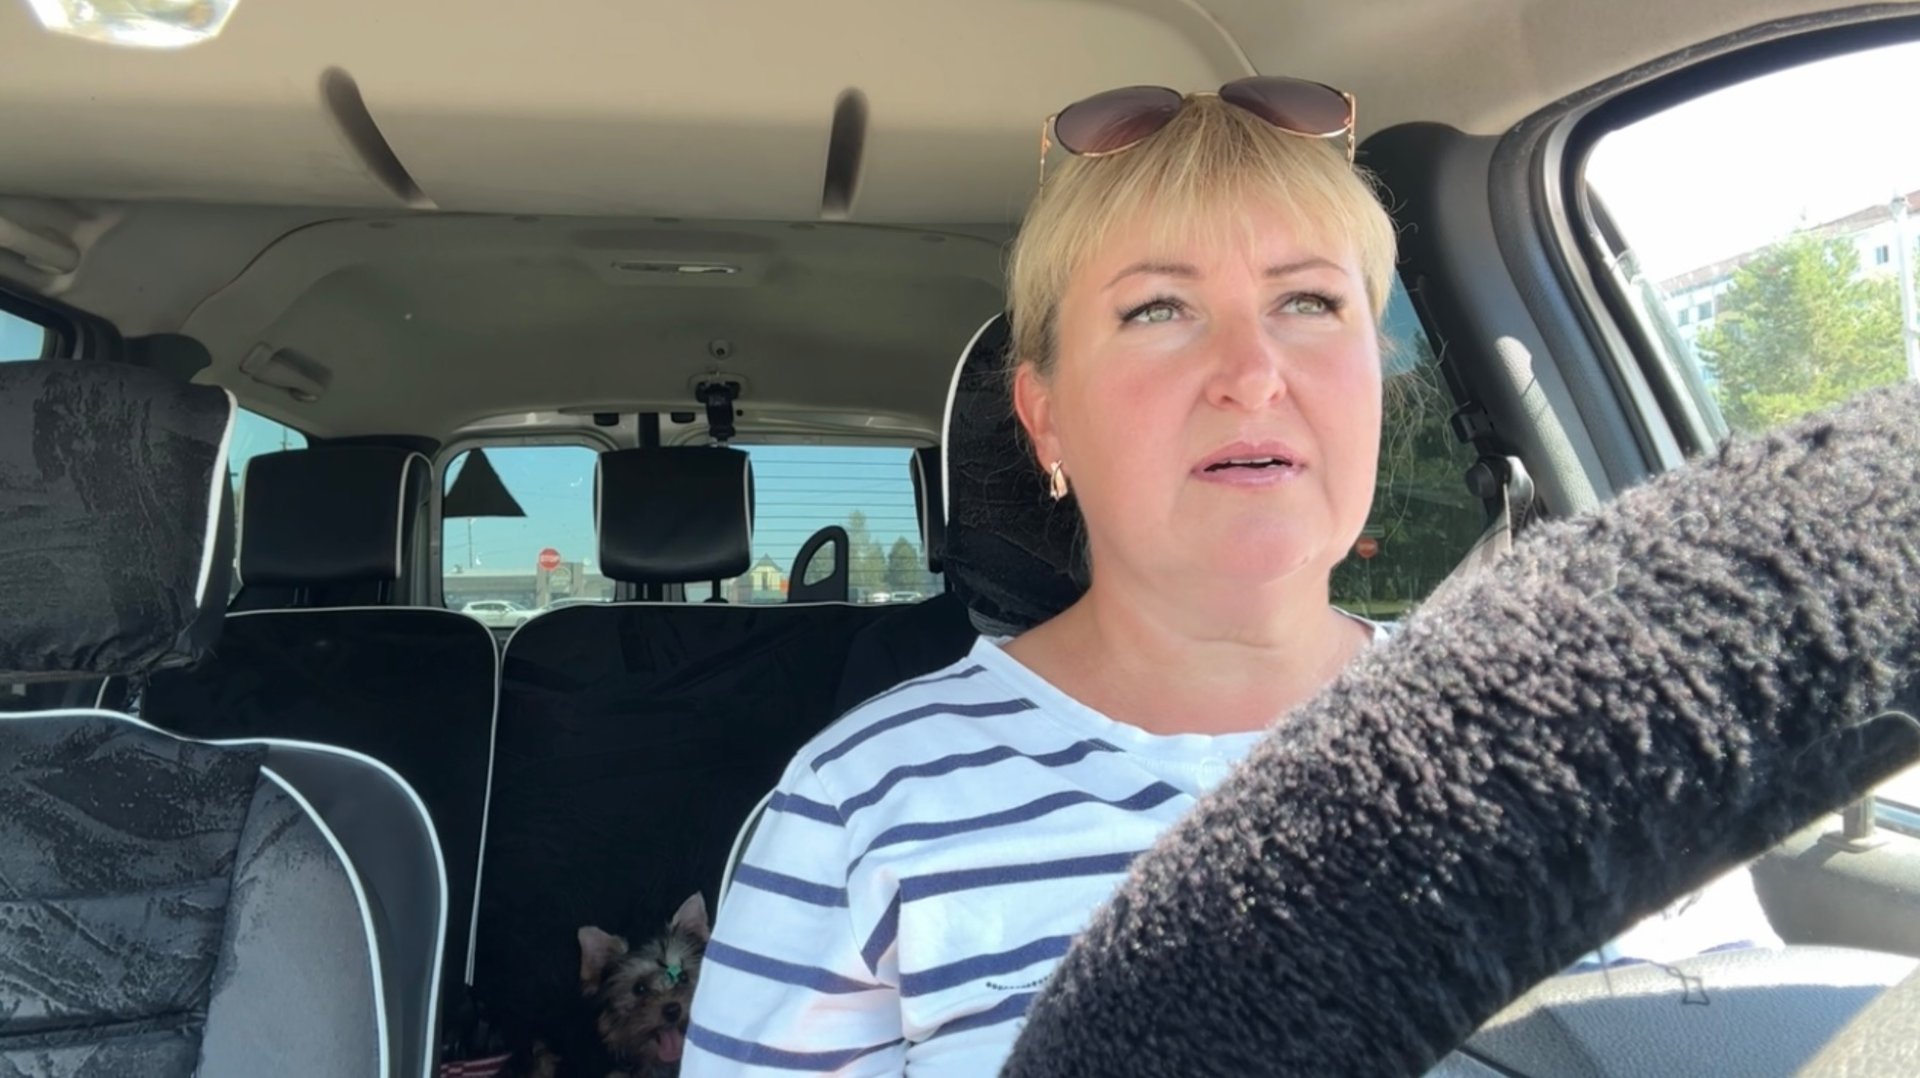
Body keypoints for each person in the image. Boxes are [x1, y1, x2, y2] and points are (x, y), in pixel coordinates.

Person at [682, 78, 1776, 1076]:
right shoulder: (859, 807)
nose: (1253, 375)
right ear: (1046, 417)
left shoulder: (1587, 747)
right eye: (1158, 308)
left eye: (1310, 303)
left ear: (1377, 375)